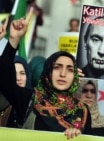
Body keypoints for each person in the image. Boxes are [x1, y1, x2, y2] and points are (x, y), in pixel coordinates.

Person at [0, 8, 91, 139]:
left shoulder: (82, 110)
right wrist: (14, 39)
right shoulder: (29, 99)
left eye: (70, 69)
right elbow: (3, 77)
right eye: (57, 67)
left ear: (75, 76)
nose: (63, 74)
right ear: (48, 71)